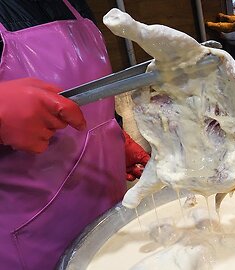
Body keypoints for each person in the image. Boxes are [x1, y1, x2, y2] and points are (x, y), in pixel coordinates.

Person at [0, 0, 149, 269]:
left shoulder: (73, 4)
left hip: (107, 217)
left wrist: (109, 136)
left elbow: (86, 95)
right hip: (30, 242)